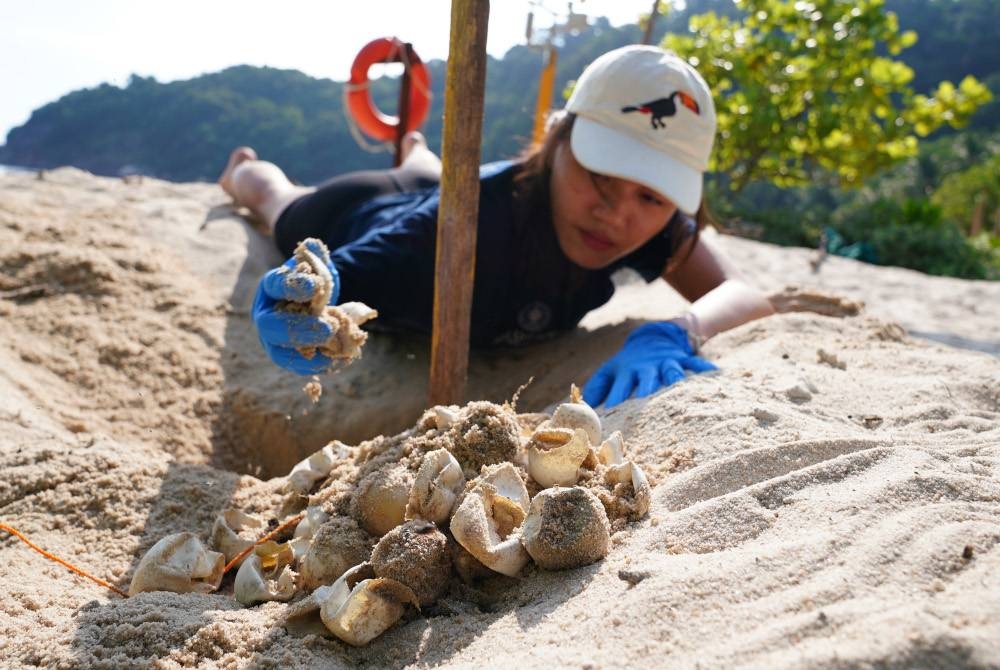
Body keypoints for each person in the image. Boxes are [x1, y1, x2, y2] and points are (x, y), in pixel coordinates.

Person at [219, 45, 775, 409]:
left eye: (651, 194)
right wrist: (297, 302)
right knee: (275, 201)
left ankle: (415, 153)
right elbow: (327, 280)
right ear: (556, 139)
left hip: (443, 190)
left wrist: (675, 331)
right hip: (355, 212)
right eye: (601, 176)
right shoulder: (445, 236)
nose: (618, 213)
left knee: (429, 175)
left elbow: (744, 293)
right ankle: (241, 168)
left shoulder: (652, 225)